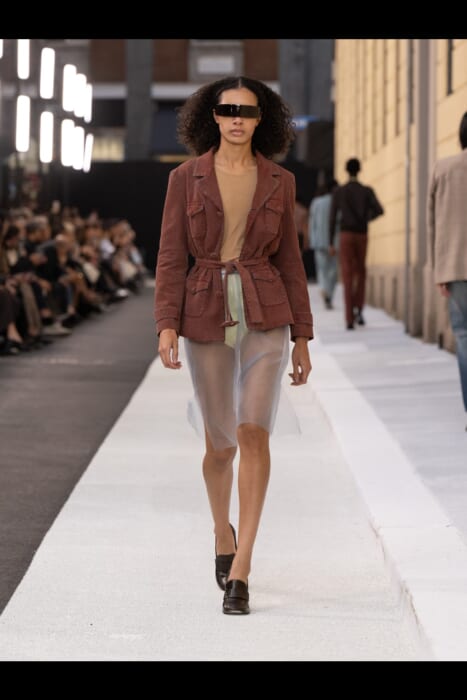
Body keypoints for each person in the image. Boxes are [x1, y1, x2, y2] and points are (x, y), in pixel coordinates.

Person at [154, 76, 313, 615]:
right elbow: (170, 254)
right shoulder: (185, 178)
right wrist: (166, 323)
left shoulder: (280, 181)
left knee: (253, 432)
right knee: (220, 445)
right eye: (227, 110)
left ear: (261, 118)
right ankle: (222, 533)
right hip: (204, 310)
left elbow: (290, 260)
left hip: (266, 311)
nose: (237, 119)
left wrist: (302, 336)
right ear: (213, 116)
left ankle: (242, 567)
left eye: (246, 110)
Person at [428, 112, 467, 431]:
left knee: (464, 338)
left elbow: (433, 223)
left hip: (454, 267)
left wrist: (439, 270)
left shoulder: (443, 168)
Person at [329, 158, 384, 329]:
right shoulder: (366, 190)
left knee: (347, 274)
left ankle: (348, 318)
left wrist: (331, 242)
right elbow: (379, 210)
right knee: (360, 272)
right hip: (361, 234)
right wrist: (366, 218)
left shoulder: (339, 192)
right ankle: (359, 310)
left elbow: (332, 218)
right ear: (359, 170)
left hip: (345, 234)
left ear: (346, 171)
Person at [309, 179, 339, 309]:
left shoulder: (316, 202)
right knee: (333, 270)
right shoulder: (336, 201)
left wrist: (312, 239)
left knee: (322, 269)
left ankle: (324, 289)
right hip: (334, 242)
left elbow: (312, 223)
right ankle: (329, 295)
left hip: (319, 241)